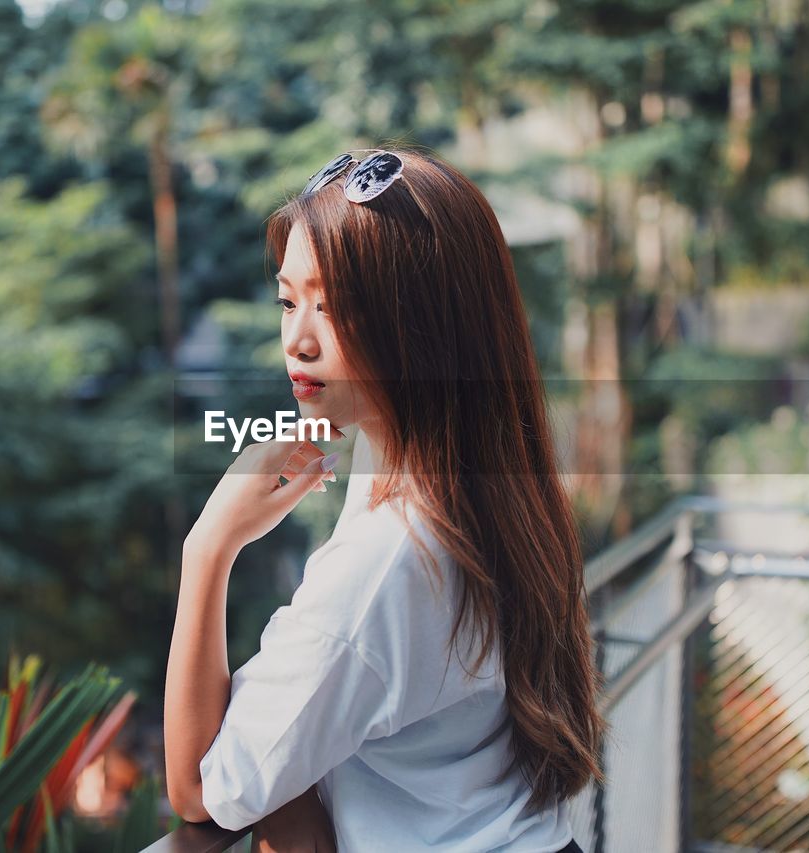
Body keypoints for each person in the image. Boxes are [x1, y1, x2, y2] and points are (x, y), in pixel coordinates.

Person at [164, 147, 601, 852]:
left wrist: (208, 545)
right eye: (287, 299)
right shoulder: (484, 481)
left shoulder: (387, 560)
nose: (297, 341)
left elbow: (199, 789)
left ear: (421, 328)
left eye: (335, 309)